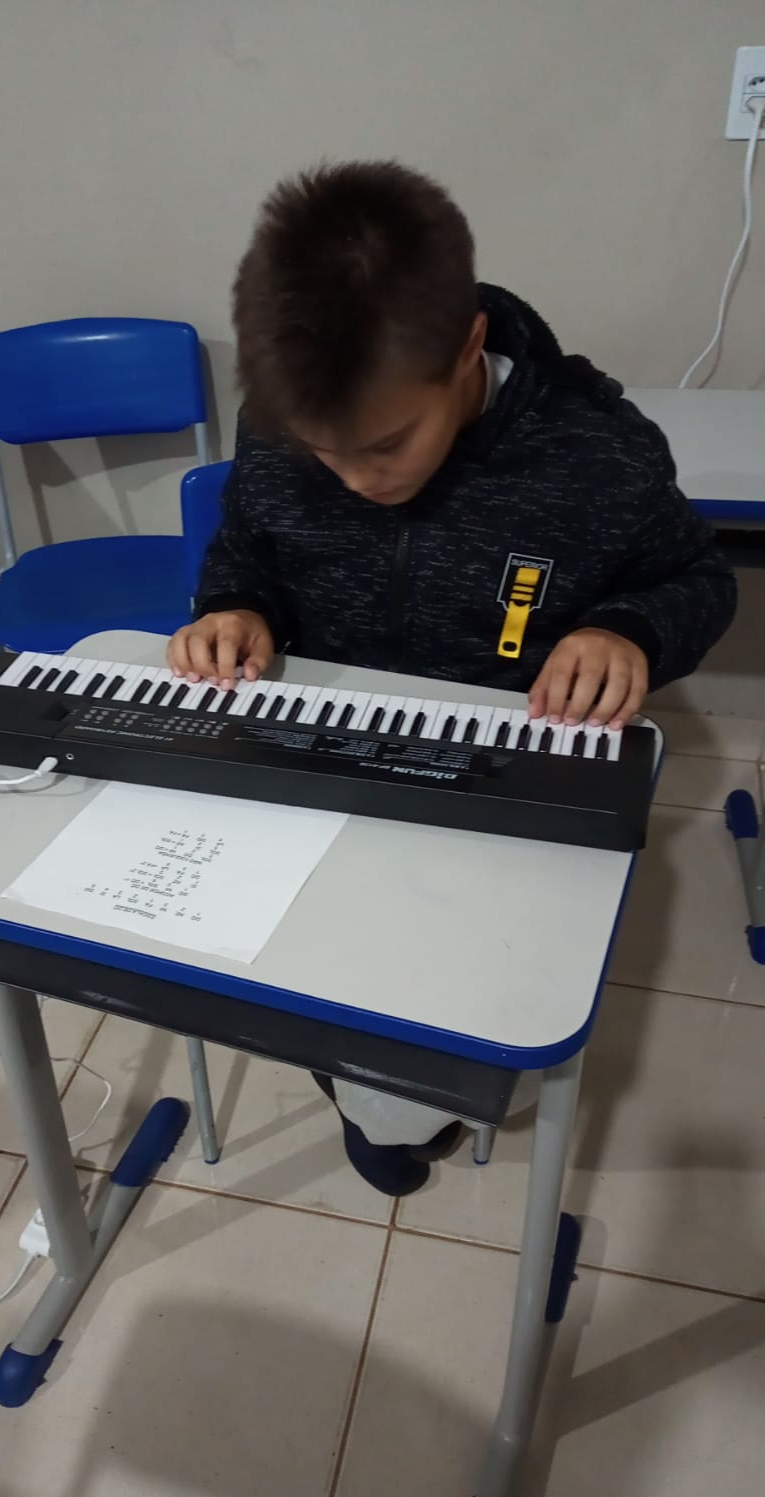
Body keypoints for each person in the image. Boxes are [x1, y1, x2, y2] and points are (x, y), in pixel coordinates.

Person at [168, 160, 737, 1196]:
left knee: (470, 1039)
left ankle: (399, 1100)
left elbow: (696, 579)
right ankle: (375, 1090)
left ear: (469, 345)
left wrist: (624, 631)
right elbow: (248, 546)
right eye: (323, 452)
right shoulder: (283, 416)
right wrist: (235, 608)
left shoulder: (594, 453)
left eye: (386, 443)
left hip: (496, 771)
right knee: (241, 954)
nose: (355, 480)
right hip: (321, 750)